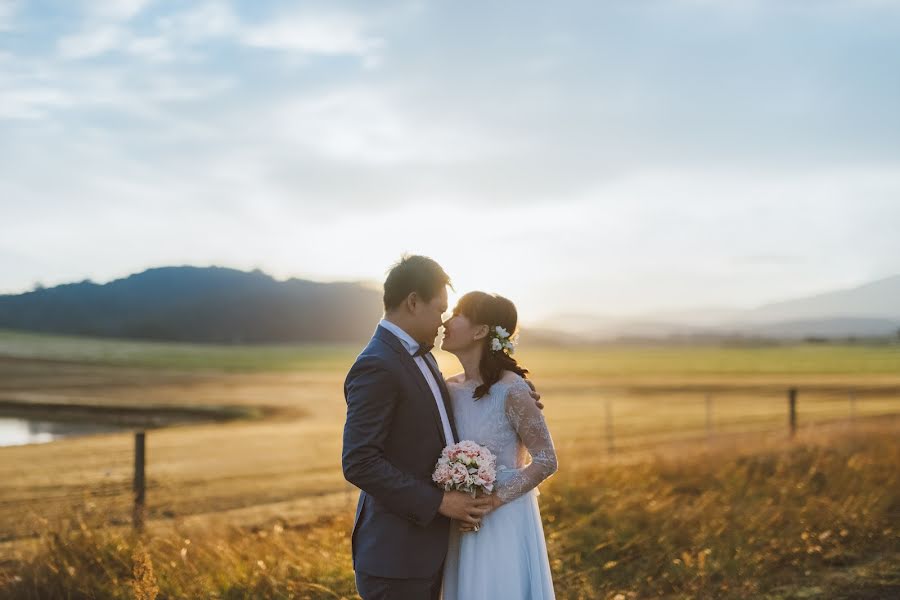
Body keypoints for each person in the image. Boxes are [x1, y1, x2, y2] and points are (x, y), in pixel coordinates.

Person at [342, 255, 543, 599]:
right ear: (413, 302)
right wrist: (439, 502)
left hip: (441, 550)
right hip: (397, 558)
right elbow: (360, 461)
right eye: (440, 309)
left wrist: (514, 399)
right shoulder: (378, 364)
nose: (443, 321)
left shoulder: (422, 357)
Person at [440, 291, 558, 599]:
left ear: (480, 331)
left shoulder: (513, 390)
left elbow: (546, 459)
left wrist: (495, 499)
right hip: (460, 516)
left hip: (503, 517)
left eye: (457, 314)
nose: (446, 321)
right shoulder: (447, 389)